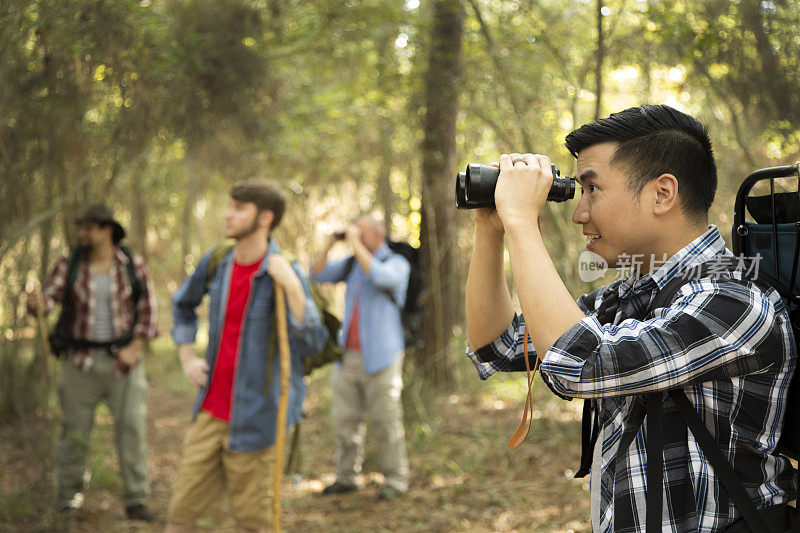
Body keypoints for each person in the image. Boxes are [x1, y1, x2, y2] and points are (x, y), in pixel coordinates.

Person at [464, 105, 796, 531]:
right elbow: (499, 344)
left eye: (592, 190)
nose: (579, 213)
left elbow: (577, 365)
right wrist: (490, 229)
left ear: (662, 193)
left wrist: (522, 222)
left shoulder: (734, 304)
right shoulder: (633, 296)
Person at [165, 178, 328, 533]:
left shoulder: (287, 269)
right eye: (230, 206)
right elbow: (182, 305)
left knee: (253, 525)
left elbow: (313, 341)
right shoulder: (219, 260)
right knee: (179, 516)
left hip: (260, 420)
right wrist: (187, 357)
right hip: (211, 411)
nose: (228, 214)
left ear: (265, 217)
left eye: (239, 208)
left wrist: (291, 286)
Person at [26, 205, 158, 521]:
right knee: (74, 429)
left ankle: (136, 498)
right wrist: (36, 304)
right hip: (79, 364)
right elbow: (47, 304)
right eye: (81, 228)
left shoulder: (133, 265)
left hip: (124, 365)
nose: (83, 234)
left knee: (131, 430)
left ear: (107, 230)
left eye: (89, 228)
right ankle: (68, 496)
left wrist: (134, 347)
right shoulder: (68, 264)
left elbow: (149, 314)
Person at [311, 214, 411, 499]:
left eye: (361, 232)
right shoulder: (352, 263)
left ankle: (396, 480)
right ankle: (346, 477)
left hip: (383, 357)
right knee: (345, 421)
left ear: (377, 234)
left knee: (386, 421)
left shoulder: (396, 262)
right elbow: (317, 273)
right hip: (348, 357)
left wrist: (355, 243)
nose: (355, 236)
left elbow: (379, 277)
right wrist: (329, 244)